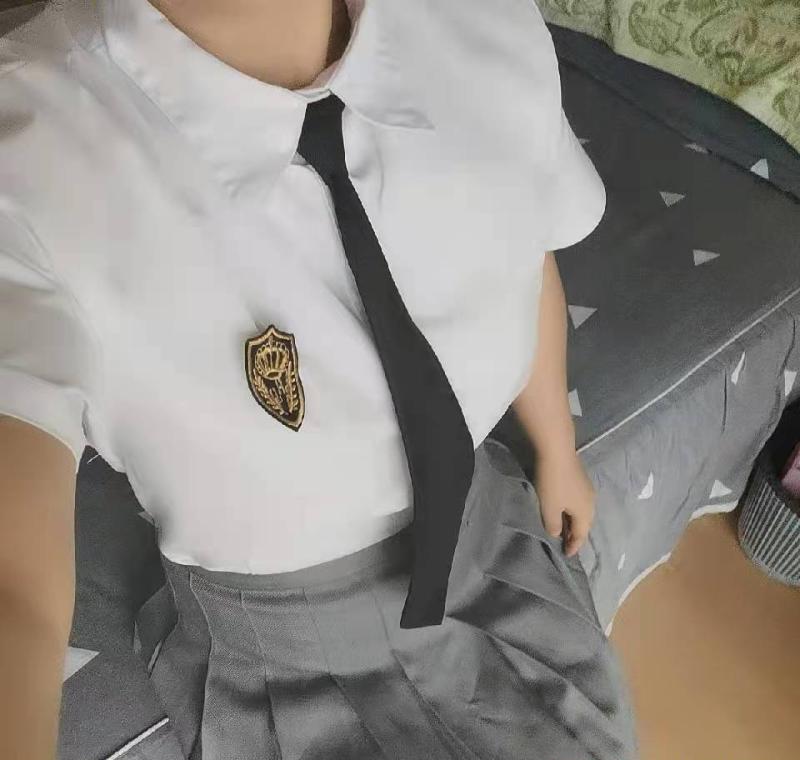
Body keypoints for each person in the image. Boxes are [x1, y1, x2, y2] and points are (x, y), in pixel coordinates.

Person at [0, 1, 637, 759]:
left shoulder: (481, 20)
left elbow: (522, 252)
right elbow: (15, 591)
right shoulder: (28, 151)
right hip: (293, 657)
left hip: (490, 524)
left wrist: (556, 447)